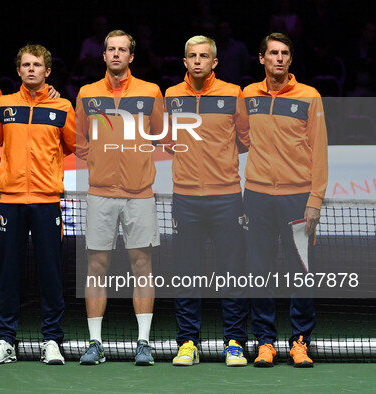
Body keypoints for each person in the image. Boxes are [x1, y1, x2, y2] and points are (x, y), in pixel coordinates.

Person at [0, 44, 76, 365]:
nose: (31, 69)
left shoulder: (63, 106)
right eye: (26, 65)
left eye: (37, 64)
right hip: (10, 202)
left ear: (47, 71)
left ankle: (51, 340)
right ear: (19, 70)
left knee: (50, 275)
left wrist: (46, 165)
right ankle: (5, 341)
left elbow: (72, 144)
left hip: (47, 201)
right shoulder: (5, 105)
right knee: (8, 274)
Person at [76, 29, 163, 366]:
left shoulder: (150, 91)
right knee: (96, 267)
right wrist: (101, 160)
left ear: (131, 56)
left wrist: (135, 160)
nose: (115, 54)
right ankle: (95, 344)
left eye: (122, 50)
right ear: (104, 56)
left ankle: (143, 342)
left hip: (139, 193)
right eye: (110, 49)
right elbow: (80, 139)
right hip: (100, 193)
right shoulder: (87, 93)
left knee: (142, 265)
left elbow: (157, 133)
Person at [243, 32, 328, 368]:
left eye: (285, 53)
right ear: (261, 58)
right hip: (258, 197)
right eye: (273, 53)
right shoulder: (248, 95)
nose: (279, 58)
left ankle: (300, 342)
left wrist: (315, 199)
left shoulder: (310, 96)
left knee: (301, 273)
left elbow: (319, 151)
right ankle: (266, 342)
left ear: (290, 60)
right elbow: (237, 133)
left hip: (297, 198)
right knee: (259, 272)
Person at [164, 36, 250, 367]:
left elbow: (244, 140)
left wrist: (217, 160)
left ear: (214, 62)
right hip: (184, 198)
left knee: (232, 274)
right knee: (187, 273)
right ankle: (188, 343)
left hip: (227, 196)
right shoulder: (171, 96)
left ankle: (234, 343)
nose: (197, 61)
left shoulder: (233, 93)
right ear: (184, 61)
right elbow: (169, 140)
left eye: (204, 56)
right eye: (192, 56)